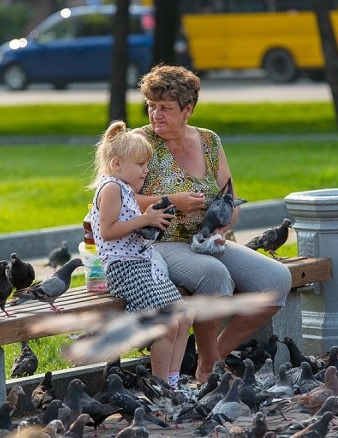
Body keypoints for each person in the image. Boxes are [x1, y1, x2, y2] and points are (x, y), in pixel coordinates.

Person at [133, 65, 292, 383]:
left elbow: (230, 198)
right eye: (151, 106)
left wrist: (225, 220)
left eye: (165, 108)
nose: (156, 115)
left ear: (187, 109)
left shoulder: (208, 141)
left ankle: (212, 359)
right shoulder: (138, 143)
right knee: (214, 275)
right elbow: (112, 201)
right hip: (158, 244)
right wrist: (172, 201)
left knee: (277, 280)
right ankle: (209, 367)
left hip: (206, 241)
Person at [88, 120, 192, 388]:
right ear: (117, 164)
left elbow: (132, 227)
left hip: (144, 265)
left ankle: (173, 381)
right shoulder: (111, 188)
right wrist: (145, 220)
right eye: (140, 164)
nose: (145, 170)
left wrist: (152, 223)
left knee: (184, 316)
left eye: (146, 164)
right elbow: (108, 231)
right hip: (124, 268)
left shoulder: (126, 189)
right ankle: (161, 388)